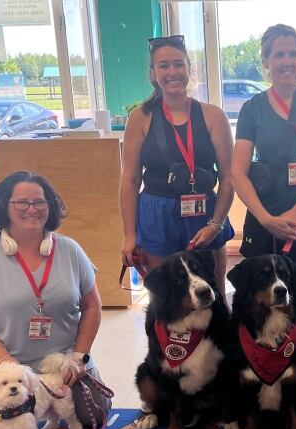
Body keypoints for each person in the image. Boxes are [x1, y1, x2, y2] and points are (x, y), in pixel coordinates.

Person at [0, 172, 110, 429]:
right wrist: (4, 361)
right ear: (5, 206)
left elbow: (92, 307)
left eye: (40, 202)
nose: (32, 209)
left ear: (49, 207)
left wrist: (78, 358)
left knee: (96, 414)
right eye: (22, 203)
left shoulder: (71, 250)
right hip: (3, 358)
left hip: (60, 360)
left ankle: (34, 411)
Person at [230, 24, 296, 364]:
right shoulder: (253, 109)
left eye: (293, 53)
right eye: (279, 54)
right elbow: (237, 172)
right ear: (266, 60)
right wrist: (267, 220)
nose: (287, 61)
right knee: (260, 302)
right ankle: (266, 371)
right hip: (265, 220)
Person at [120, 34, 234, 297]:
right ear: (153, 73)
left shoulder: (213, 115)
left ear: (189, 69)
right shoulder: (140, 117)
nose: (172, 72)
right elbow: (130, 181)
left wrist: (215, 224)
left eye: (179, 64)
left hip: (205, 215)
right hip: (156, 216)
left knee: (212, 297)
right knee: (166, 301)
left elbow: (229, 178)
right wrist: (129, 235)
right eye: (163, 66)